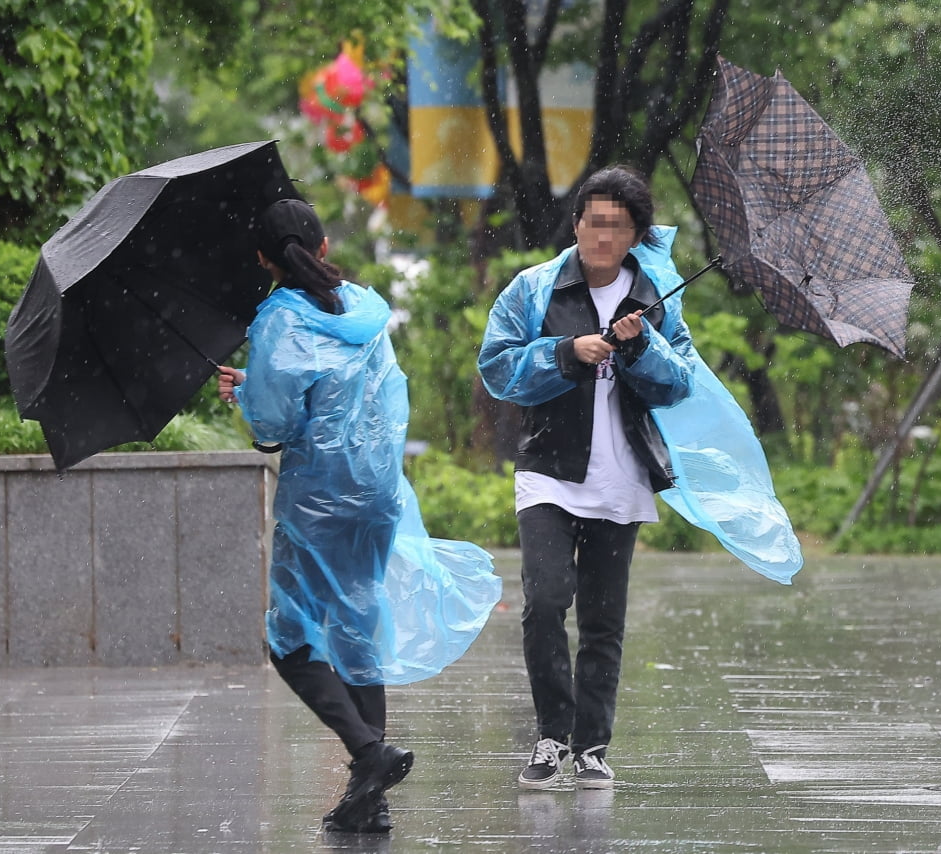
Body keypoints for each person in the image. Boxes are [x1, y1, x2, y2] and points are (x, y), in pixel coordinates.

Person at [217, 198, 500, 833]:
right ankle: (369, 806)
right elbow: (374, 399)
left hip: (318, 498)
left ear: (264, 259)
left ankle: (371, 756)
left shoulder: (279, 324)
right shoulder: (363, 310)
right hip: (375, 495)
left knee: (289, 641)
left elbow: (274, 425)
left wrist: (246, 391)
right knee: (355, 634)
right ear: (321, 248)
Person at [477, 166, 698, 790]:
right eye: (594, 222)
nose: (604, 236)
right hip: (548, 471)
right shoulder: (534, 288)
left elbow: (679, 382)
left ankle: (592, 744)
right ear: (576, 224)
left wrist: (642, 347)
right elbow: (497, 369)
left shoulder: (654, 296)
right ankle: (551, 736)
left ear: (635, 234)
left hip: (621, 474)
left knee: (604, 619)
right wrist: (565, 353)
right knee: (545, 600)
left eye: (618, 226)